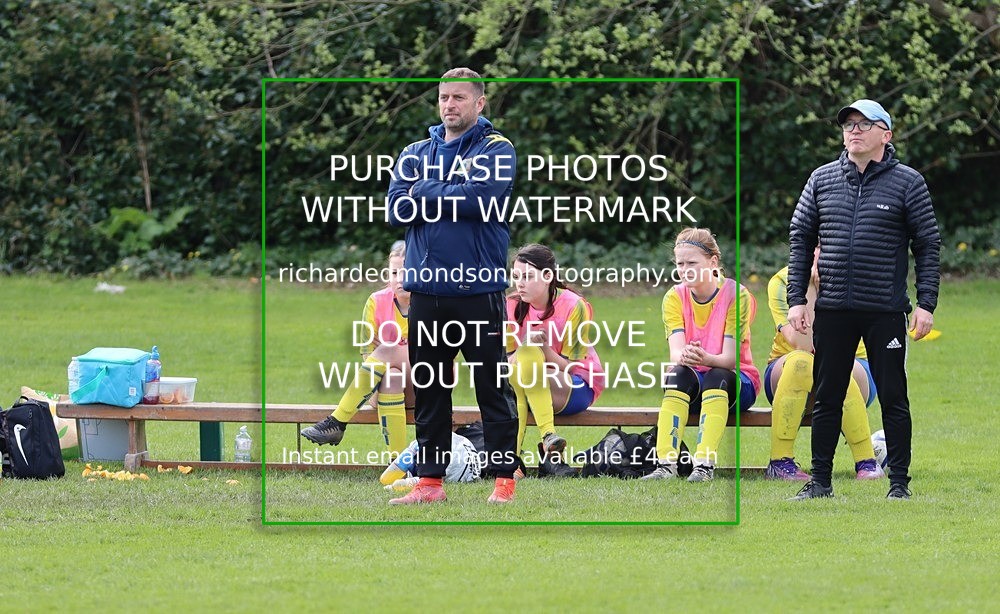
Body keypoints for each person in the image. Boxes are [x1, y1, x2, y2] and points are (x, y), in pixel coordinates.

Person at [787, 99, 940, 500]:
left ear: (885, 135)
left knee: (893, 396)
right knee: (827, 396)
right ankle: (820, 483)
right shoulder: (821, 179)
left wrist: (926, 303)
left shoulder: (908, 182)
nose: (853, 130)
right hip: (833, 309)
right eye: (848, 124)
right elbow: (800, 241)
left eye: (864, 124)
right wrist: (797, 300)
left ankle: (899, 484)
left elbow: (927, 245)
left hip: (885, 310)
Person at [385, 67, 520, 504]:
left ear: (479, 103)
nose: (449, 105)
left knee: (491, 389)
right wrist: (448, 191)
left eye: (459, 98)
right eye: (444, 98)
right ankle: (429, 484)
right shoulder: (413, 151)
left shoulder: (497, 148)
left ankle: (503, 483)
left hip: (479, 290)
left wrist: (423, 189)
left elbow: (481, 199)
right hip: (427, 290)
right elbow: (395, 211)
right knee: (430, 390)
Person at [643, 227, 761, 482]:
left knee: (717, 375)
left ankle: (704, 465)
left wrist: (704, 358)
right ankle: (665, 465)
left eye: (692, 263)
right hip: (696, 383)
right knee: (677, 375)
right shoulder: (673, 297)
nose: (685, 270)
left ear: (713, 262)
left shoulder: (737, 294)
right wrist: (686, 356)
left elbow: (730, 360)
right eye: (680, 264)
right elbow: (676, 352)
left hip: (737, 383)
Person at [763, 249, 884, 481]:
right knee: (802, 361)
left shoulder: (856, 279)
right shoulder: (781, 282)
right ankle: (779, 462)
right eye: (813, 247)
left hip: (854, 372)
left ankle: (867, 462)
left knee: (836, 363)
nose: (819, 253)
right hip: (789, 374)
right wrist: (807, 288)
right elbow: (802, 343)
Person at [300, 241, 413, 457]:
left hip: (427, 385)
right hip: (379, 386)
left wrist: (394, 352)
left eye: (406, 272)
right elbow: (367, 354)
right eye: (394, 272)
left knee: (387, 351)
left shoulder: (430, 301)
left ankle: (338, 421)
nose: (399, 279)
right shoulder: (376, 302)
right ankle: (398, 464)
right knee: (391, 378)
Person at [505, 244, 605, 478]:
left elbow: (573, 366)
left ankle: (512, 458)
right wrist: (527, 347)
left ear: (548, 276)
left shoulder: (574, 305)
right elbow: (509, 361)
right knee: (520, 371)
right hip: (529, 383)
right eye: (517, 276)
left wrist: (545, 350)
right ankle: (543, 442)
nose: (520, 283)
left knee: (525, 366)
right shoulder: (511, 304)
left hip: (576, 384)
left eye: (528, 276)